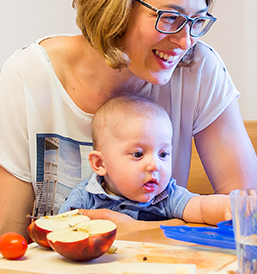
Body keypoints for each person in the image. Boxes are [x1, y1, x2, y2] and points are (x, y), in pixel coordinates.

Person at [0, 0, 257, 240]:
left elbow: (254, 218)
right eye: (170, 17)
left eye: (196, 21)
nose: (185, 42)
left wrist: (139, 230)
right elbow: (9, 239)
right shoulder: (27, 77)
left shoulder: (199, 69)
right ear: (116, 8)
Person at [59, 95, 231, 225]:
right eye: (138, 154)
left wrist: (226, 206)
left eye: (163, 154)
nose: (155, 165)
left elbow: (200, 207)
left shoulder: (167, 196)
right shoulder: (86, 197)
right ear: (100, 164)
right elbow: (58, 228)